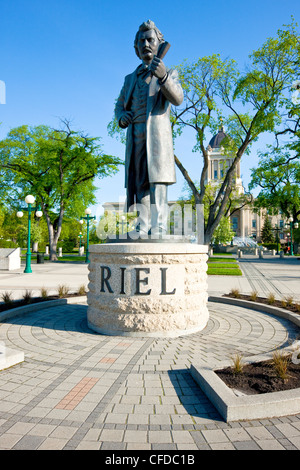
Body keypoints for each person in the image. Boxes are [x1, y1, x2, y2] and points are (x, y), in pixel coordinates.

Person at [115, 20, 183, 238]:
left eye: (150, 39)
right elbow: (119, 105)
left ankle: (160, 224)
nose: (145, 43)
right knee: (139, 181)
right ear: (136, 47)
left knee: (157, 180)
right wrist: (121, 116)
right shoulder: (129, 79)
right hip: (135, 135)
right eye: (141, 40)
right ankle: (142, 224)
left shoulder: (169, 72)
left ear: (158, 43)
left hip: (156, 136)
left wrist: (163, 77)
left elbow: (178, 98)